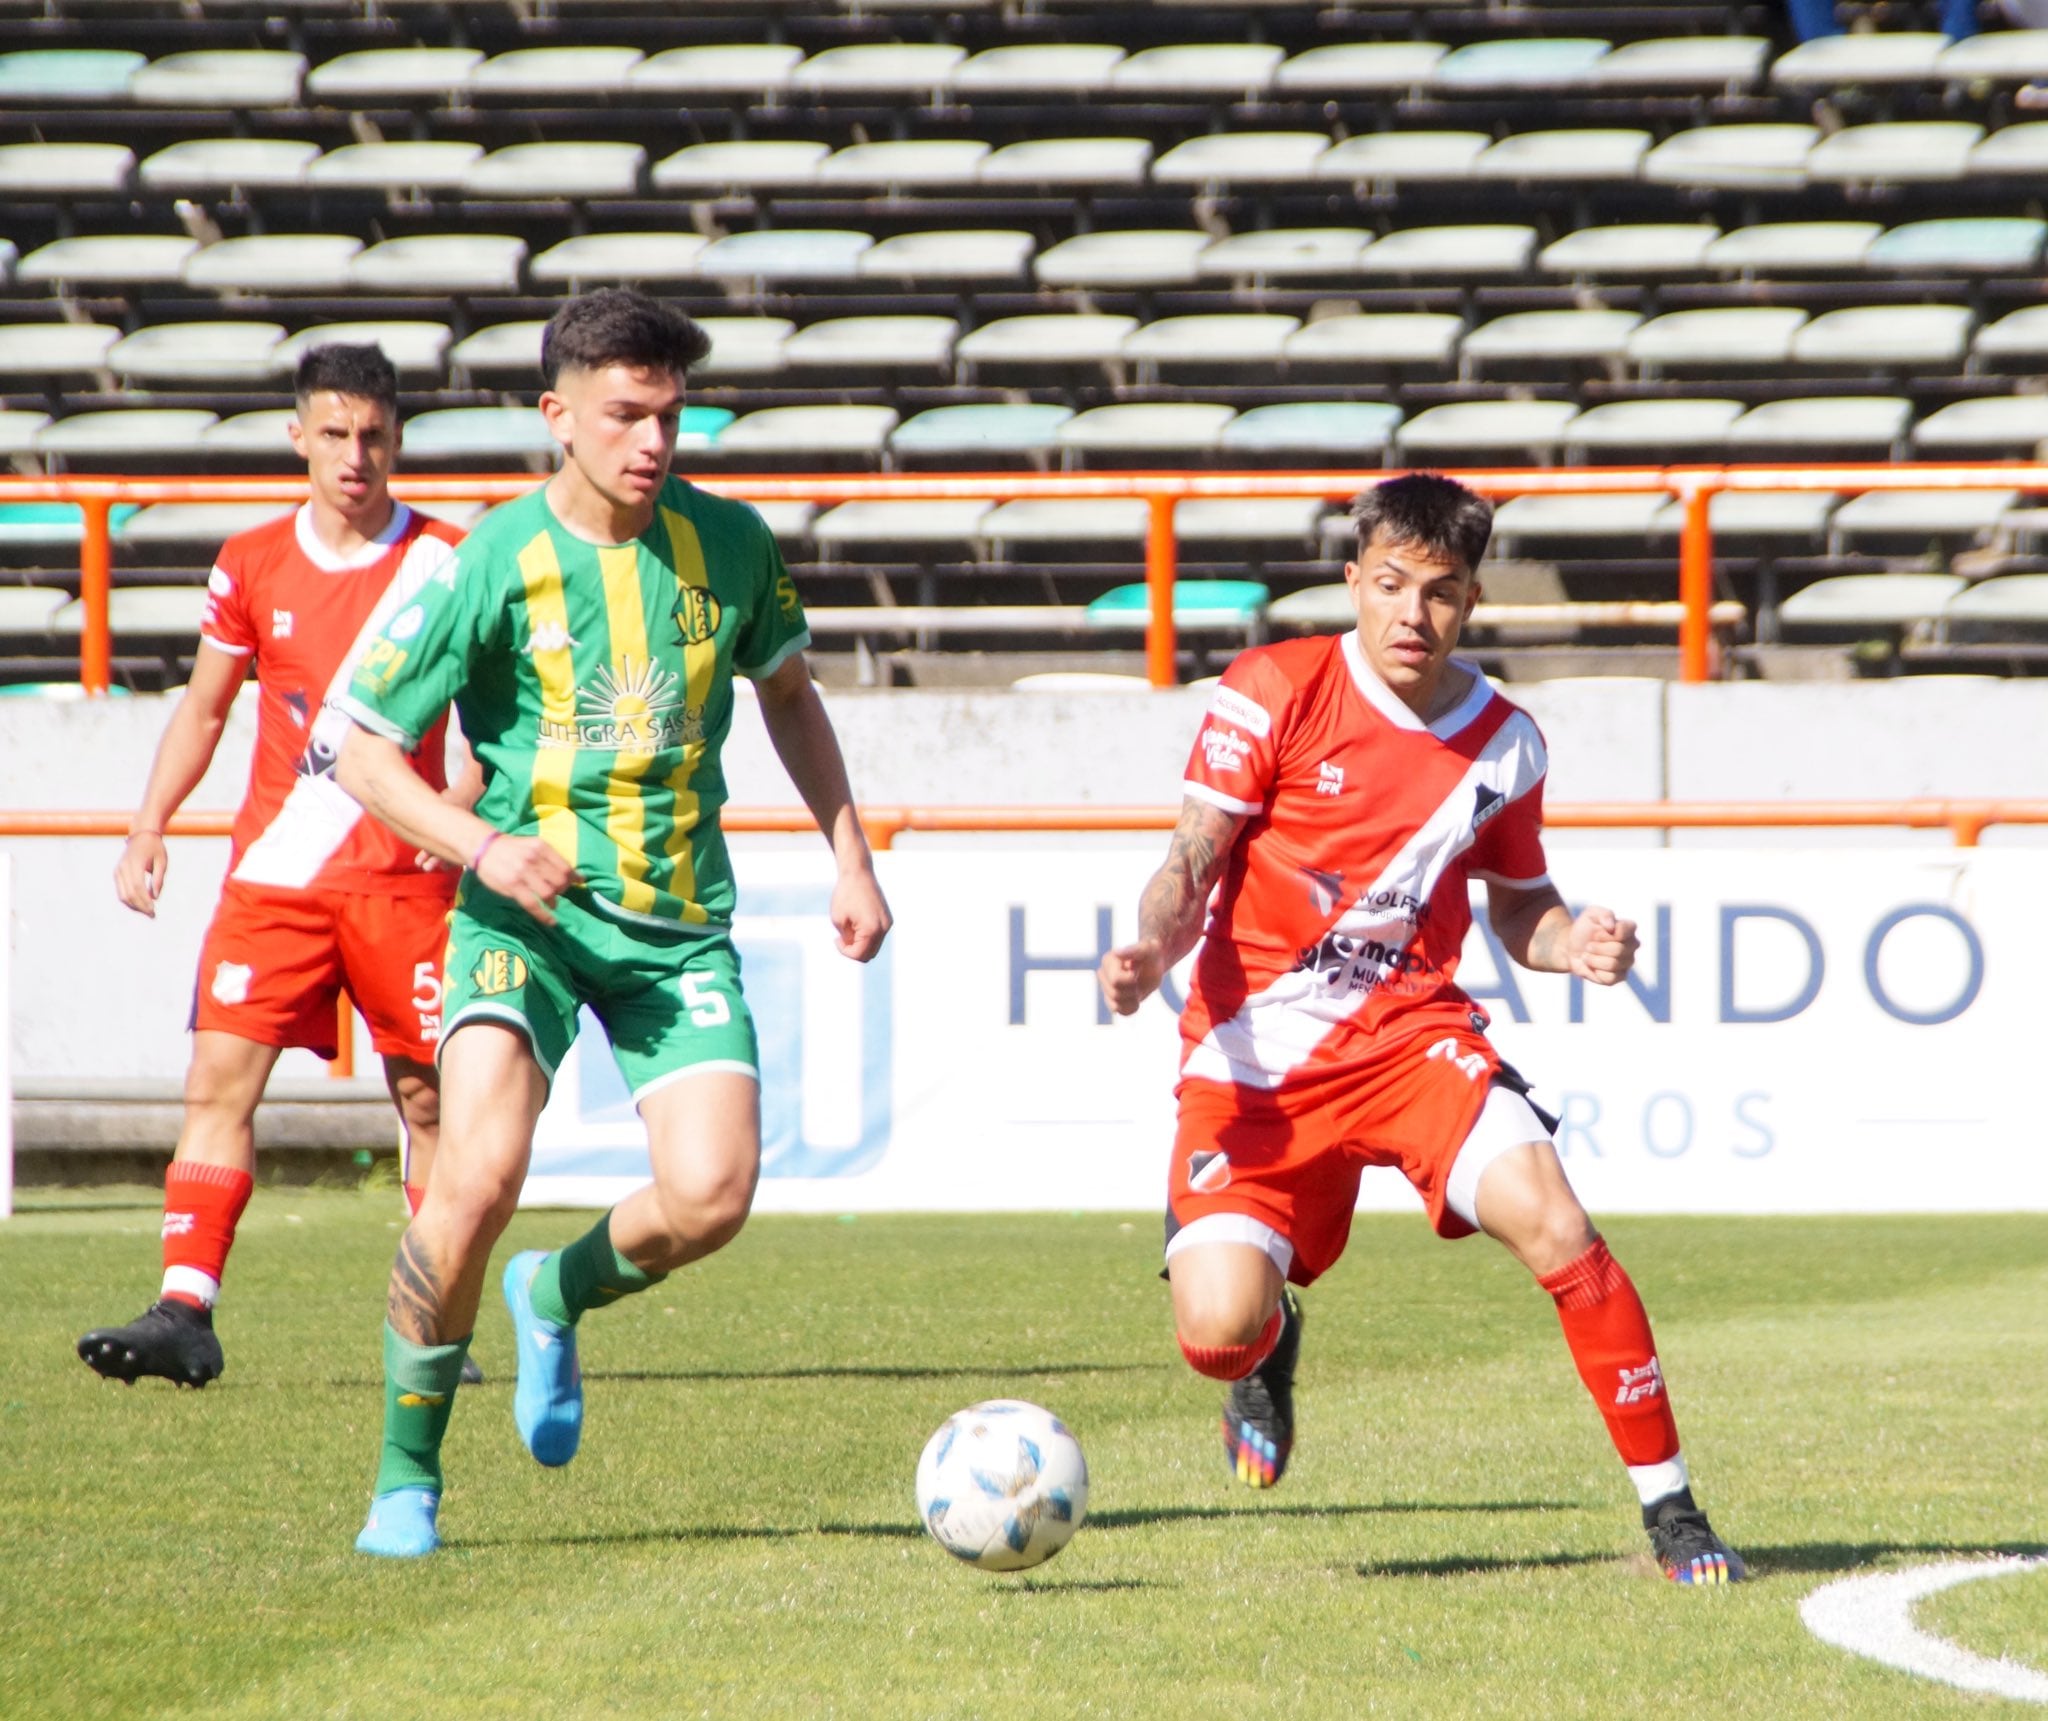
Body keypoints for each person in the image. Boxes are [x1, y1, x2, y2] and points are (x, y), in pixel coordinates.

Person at [1097, 473, 1747, 1586]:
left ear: (1470, 600)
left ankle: (1673, 1512)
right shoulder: (1272, 687)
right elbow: (1189, 860)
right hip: (1256, 1060)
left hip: (1412, 1041)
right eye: (1389, 585)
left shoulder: (1505, 743)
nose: (1411, 614)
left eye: (1438, 592)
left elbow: (1516, 907)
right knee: (1214, 1330)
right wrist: (1150, 946)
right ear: (1352, 580)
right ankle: (1266, 1348)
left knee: (1555, 1222)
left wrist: (1572, 939)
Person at [326, 287, 892, 1559]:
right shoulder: (489, 559)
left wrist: (849, 856)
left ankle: (556, 1289)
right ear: (558, 418)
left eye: (669, 416)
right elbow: (360, 751)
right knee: (473, 1174)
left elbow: (792, 699)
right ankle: (405, 1477)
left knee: (713, 1191)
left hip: (674, 925)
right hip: (519, 918)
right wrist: (481, 843)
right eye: (625, 415)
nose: (651, 442)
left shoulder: (732, 547)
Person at [78, 343, 481, 1390]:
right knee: (215, 1079)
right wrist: (148, 822)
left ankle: (435, 1318)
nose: (356, 455)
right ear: (297, 435)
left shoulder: (446, 559)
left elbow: (489, 727)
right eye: (336, 434)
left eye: (375, 435)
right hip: (277, 876)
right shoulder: (251, 560)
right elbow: (208, 705)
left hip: (407, 878)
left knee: (431, 1100)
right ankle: (184, 1308)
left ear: (398, 439)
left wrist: (452, 818)